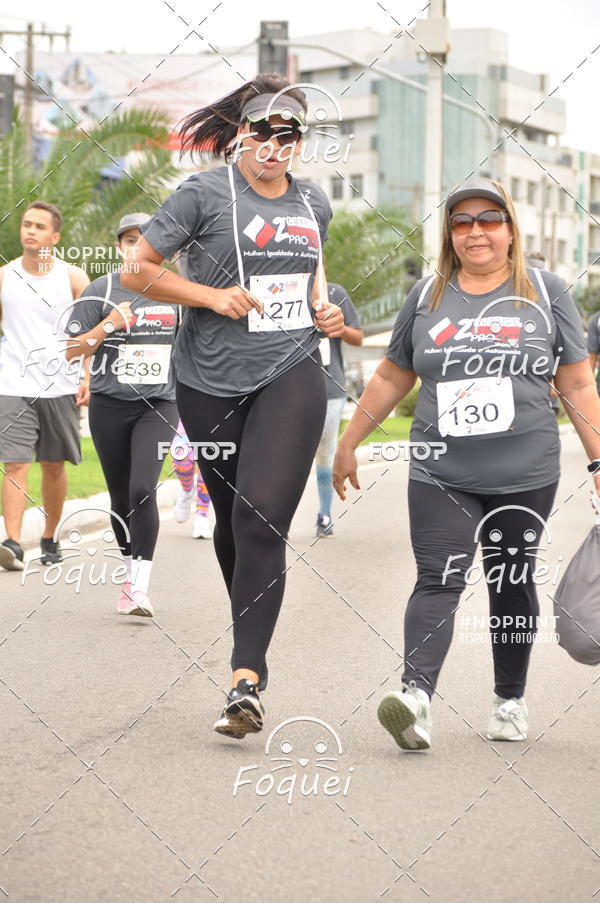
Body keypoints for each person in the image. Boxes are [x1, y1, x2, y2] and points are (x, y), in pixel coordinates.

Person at [333, 175, 600, 751]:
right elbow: (391, 374)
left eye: (488, 219)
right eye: (462, 221)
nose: (475, 231)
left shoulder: (547, 292)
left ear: (510, 230)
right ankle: (415, 698)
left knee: (511, 580)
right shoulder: (427, 296)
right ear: (449, 234)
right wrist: (348, 441)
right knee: (438, 577)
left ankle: (509, 700)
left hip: (524, 473)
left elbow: (577, 383)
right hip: (440, 469)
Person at [122, 73, 344, 738]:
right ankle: (252, 623)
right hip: (210, 377)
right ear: (240, 134)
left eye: (290, 132)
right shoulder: (202, 193)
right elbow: (140, 270)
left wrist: (324, 310)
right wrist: (212, 298)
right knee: (231, 520)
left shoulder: (314, 201)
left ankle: (245, 677)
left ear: (300, 141)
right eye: (263, 130)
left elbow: (312, 274)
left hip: (293, 368)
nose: (275, 143)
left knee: (261, 516)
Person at [65, 213, 179, 617]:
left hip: (161, 405)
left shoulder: (178, 291)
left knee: (142, 490)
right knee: (119, 500)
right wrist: (109, 324)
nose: (137, 247)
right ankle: (130, 570)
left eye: (146, 240)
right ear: (119, 246)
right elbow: (72, 349)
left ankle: (139, 586)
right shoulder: (102, 289)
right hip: (109, 405)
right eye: (130, 240)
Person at [0, 202, 89, 571]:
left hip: (60, 384)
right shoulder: (5, 276)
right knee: (15, 463)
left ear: (55, 237)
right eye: (26, 224)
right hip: (12, 382)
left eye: (39, 226)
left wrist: (87, 375)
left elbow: (89, 332)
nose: (30, 230)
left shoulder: (72, 277)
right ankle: (14, 543)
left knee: (53, 465)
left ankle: (50, 536)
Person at [315, 282, 363, 537]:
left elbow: (358, 337)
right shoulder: (280, 287)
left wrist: (338, 327)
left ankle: (324, 514)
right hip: (286, 388)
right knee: (287, 458)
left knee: (325, 455)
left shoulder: (335, 293)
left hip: (330, 389)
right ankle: (279, 519)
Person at [171, 417, 213, 539]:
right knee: (181, 458)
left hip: (215, 408)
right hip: (181, 410)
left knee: (209, 460)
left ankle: (201, 514)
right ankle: (187, 490)